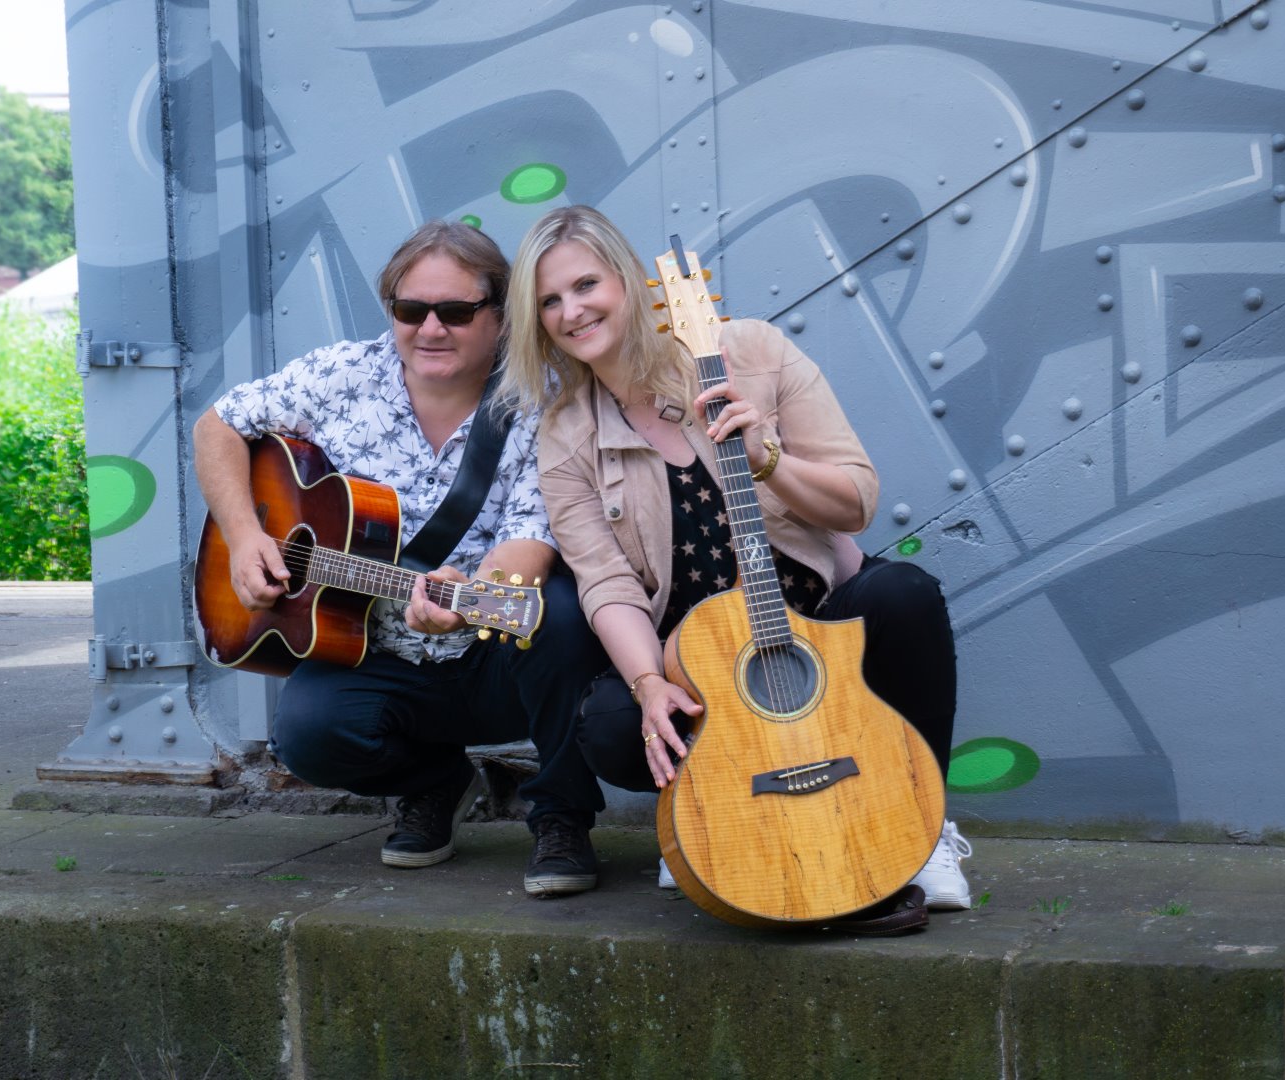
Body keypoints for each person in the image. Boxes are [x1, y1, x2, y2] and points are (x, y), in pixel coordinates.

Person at [499, 205, 972, 910]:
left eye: (586, 285)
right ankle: (708, 819)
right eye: (549, 301)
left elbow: (856, 501)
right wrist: (647, 685)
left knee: (903, 594)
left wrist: (767, 459)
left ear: (629, 280)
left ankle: (921, 828)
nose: (572, 311)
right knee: (613, 724)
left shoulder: (750, 352)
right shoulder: (566, 434)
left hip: (816, 623)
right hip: (705, 661)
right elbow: (605, 584)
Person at [193, 220, 607, 897]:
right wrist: (245, 536)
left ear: (501, 315)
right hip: (374, 650)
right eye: (411, 310)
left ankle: (561, 818)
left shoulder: (545, 397)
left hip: (495, 655)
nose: (431, 329)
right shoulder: (341, 376)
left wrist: (472, 598)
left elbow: (532, 532)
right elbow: (218, 425)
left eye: (456, 312)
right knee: (307, 736)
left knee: (557, 613)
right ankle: (435, 783)